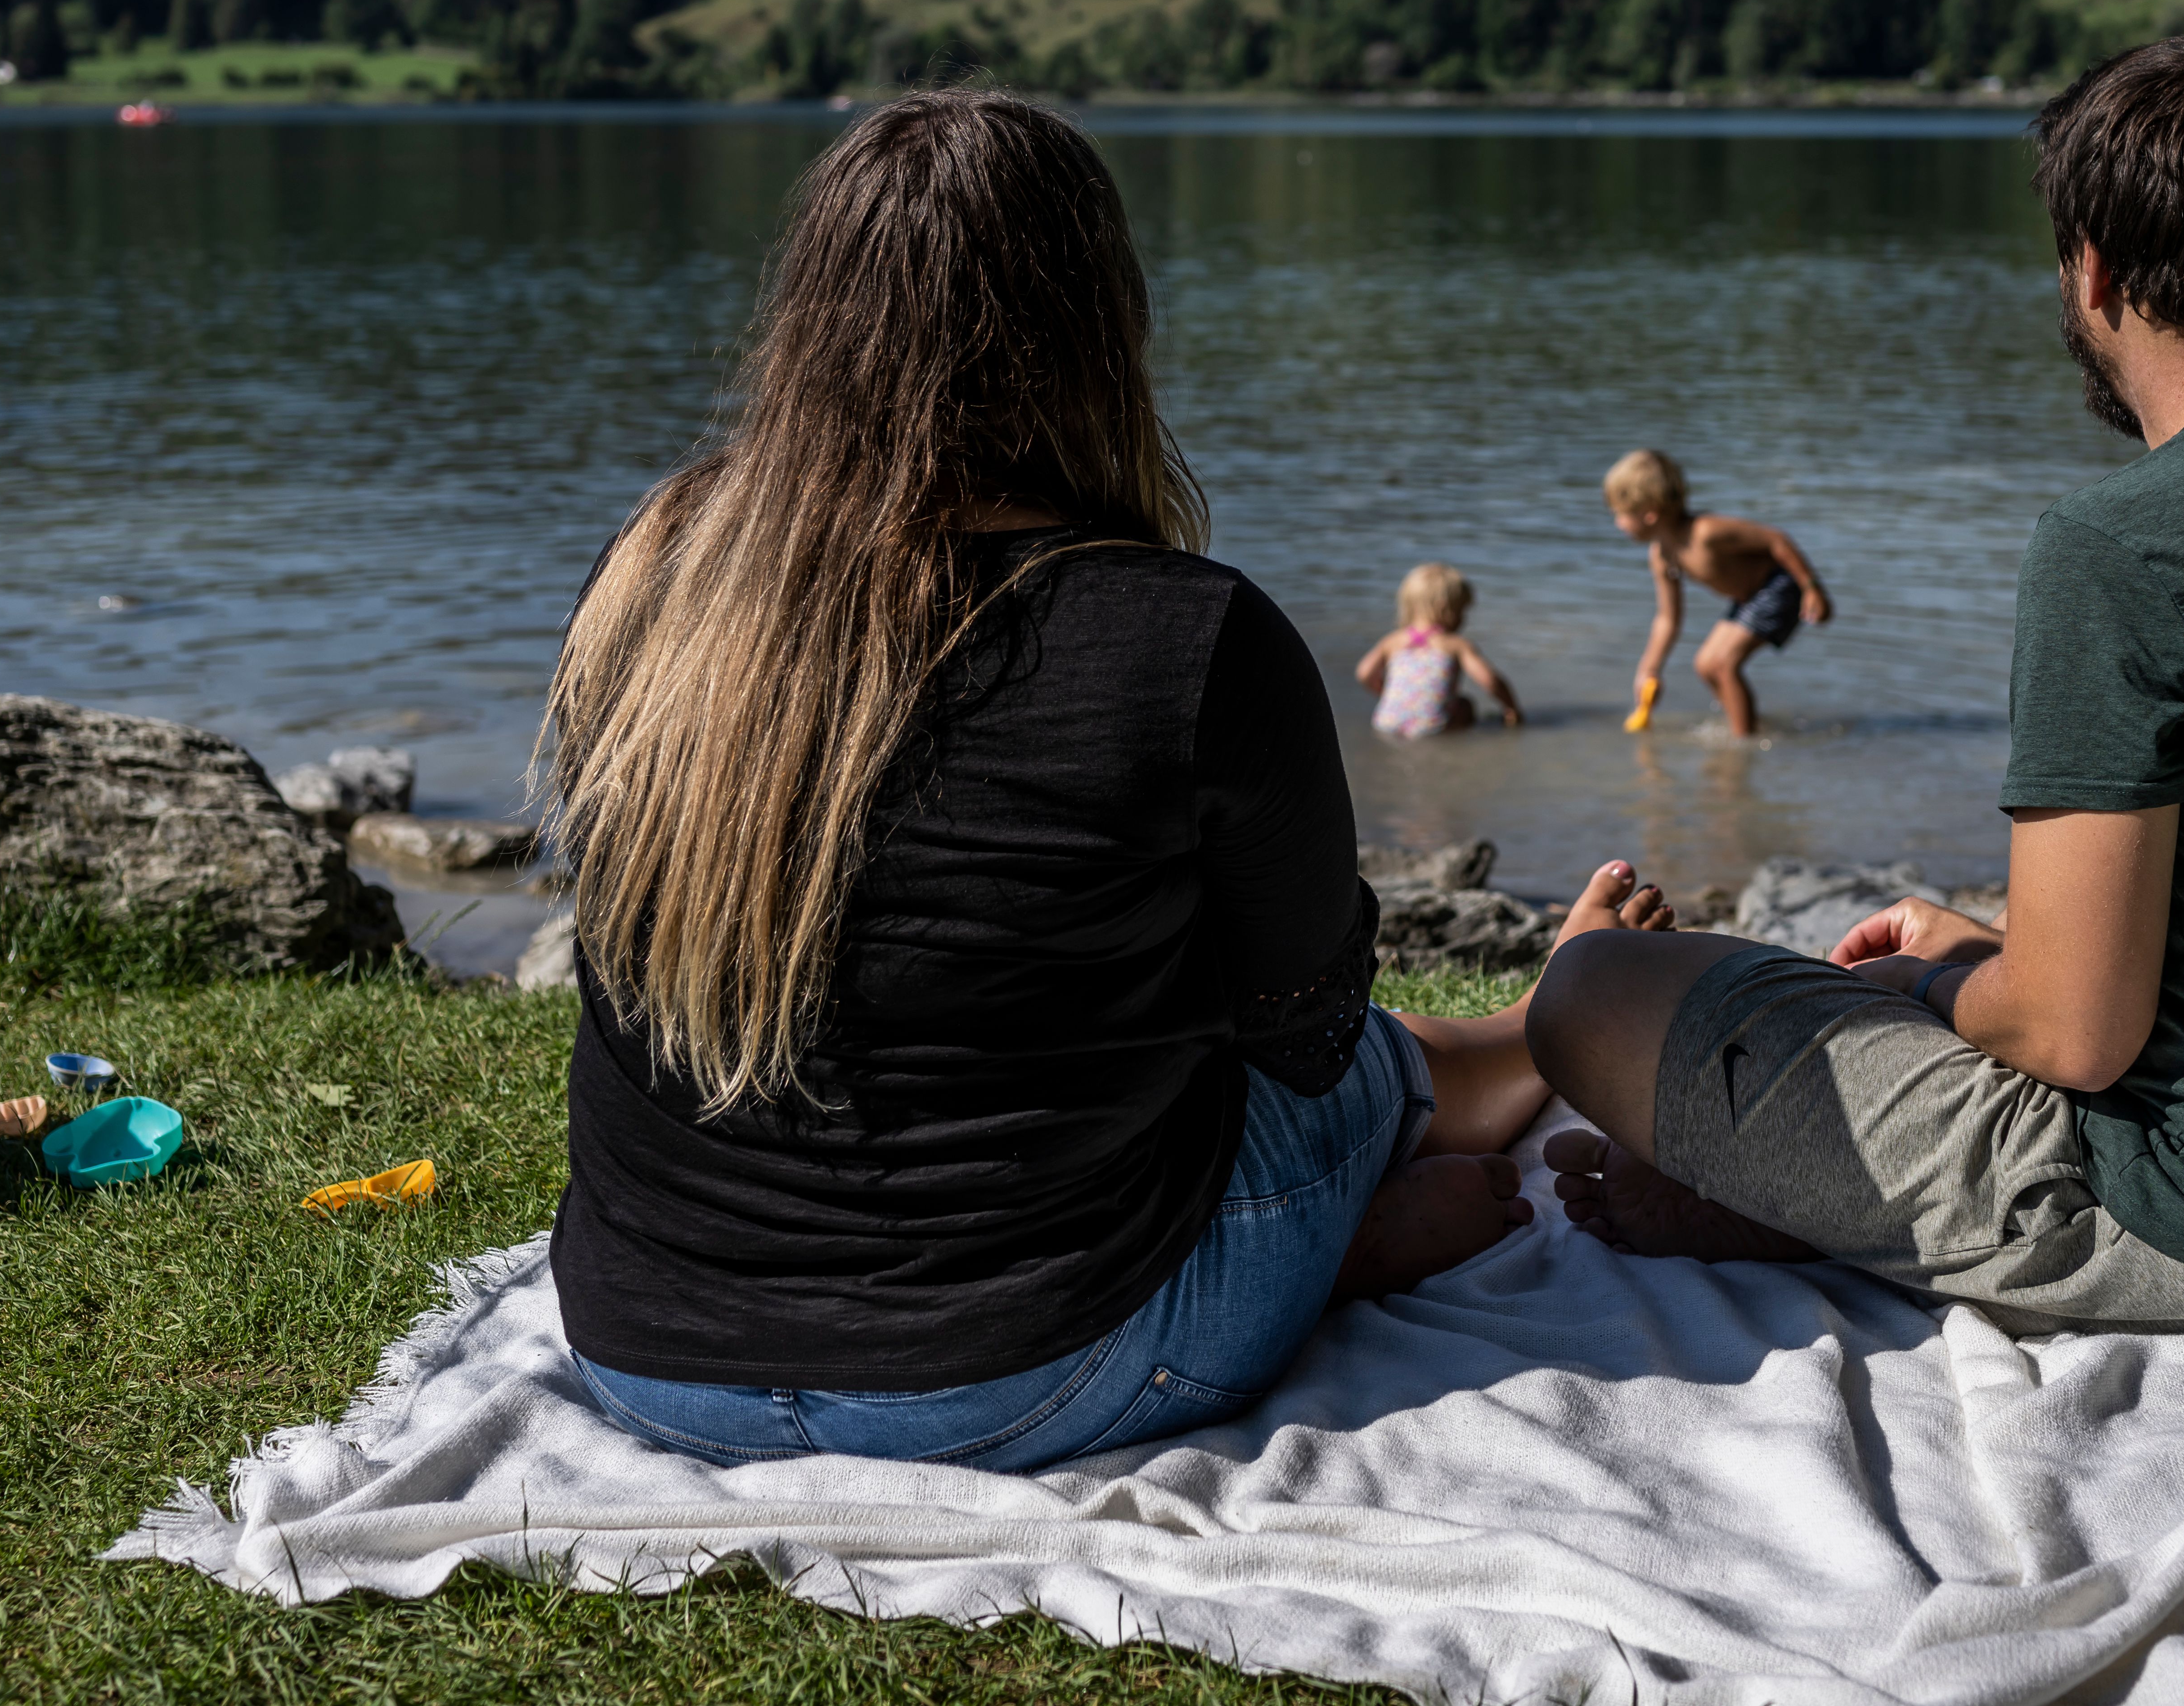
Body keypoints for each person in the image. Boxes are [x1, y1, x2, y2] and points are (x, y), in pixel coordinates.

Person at [539, 90, 1669, 1473]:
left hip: (648, 1357)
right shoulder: (1183, 631)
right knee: (1342, 1065)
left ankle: (1507, 1033)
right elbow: (1303, 1037)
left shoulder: (656, 573)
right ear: (1095, 326)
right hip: (1036, 1367)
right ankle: (1524, 1044)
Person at [1528, 36, 2184, 1351]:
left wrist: (1934, 989)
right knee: (1923, 980)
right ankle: (1798, 1183)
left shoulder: (2122, 540)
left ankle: (1785, 1187)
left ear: (2092, 267)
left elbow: (2071, 1033)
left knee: (1589, 990)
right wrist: (1977, 946)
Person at [1604, 449, 1831, 739]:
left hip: (1779, 588)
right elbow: (1667, 619)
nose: (1617, 524)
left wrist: (1812, 588)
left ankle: (1743, 744)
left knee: (1723, 664)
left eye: (1619, 515)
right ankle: (1748, 726)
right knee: (1705, 665)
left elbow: (1776, 540)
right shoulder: (1662, 556)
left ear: (1649, 514)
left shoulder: (1706, 533)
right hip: (1748, 600)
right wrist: (1649, 670)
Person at [1357, 562, 1523, 740]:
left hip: (1387, 722)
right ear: (1447, 610)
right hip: (1432, 727)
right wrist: (1512, 708)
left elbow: (1364, 674)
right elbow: (1490, 680)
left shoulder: (1392, 641)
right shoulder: (1456, 645)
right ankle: (1456, 742)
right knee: (1466, 705)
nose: (1464, 619)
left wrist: (1386, 692)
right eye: (1462, 611)